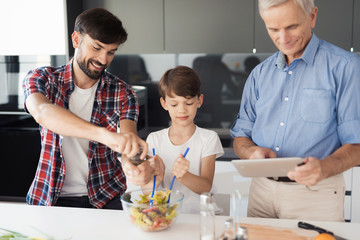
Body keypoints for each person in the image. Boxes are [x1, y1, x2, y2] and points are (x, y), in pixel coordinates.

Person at [230, 0, 360, 221]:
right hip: (261, 190)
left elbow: (356, 144)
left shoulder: (345, 67)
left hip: (316, 194)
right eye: (273, 29)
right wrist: (251, 152)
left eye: (291, 27)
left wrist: (324, 167)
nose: (283, 38)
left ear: (312, 17)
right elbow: (241, 136)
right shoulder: (259, 74)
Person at [22, 8, 155, 209]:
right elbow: (42, 112)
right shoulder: (42, 78)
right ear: (76, 40)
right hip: (50, 198)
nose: (103, 60)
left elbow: (128, 143)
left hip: (107, 197)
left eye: (111, 52)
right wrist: (105, 135)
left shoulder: (123, 92)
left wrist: (136, 165)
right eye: (96, 48)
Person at [142, 66, 224, 213]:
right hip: (165, 215)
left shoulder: (208, 138)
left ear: (199, 101)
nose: (182, 110)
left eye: (188, 103)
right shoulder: (154, 140)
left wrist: (184, 176)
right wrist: (157, 179)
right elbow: (148, 192)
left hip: (200, 215)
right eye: (174, 104)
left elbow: (206, 187)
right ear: (164, 104)